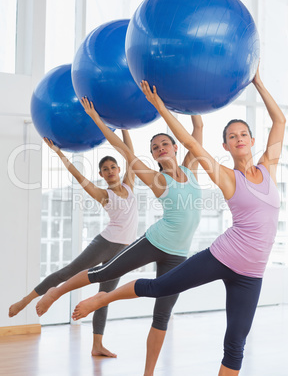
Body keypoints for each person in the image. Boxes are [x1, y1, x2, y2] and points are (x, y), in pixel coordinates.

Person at [71, 66, 286, 376]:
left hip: (252, 273)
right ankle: (105, 296)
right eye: (231, 137)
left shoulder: (269, 167)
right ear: (225, 146)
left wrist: (259, 83)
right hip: (222, 256)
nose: (238, 139)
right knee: (159, 288)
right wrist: (160, 106)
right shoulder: (226, 176)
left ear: (252, 140)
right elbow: (191, 141)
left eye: (243, 134)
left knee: (236, 343)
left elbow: (279, 121)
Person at [35, 97, 203, 376]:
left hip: (179, 253)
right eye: (154, 148)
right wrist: (98, 120)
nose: (160, 149)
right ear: (153, 156)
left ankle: (148, 373)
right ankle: (56, 292)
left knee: (162, 315)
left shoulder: (191, 168)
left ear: (175, 147)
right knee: (103, 273)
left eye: (164, 144)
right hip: (154, 241)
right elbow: (122, 150)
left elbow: (197, 126)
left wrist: (182, 98)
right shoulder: (156, 178)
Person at [9, 130, 138, 358]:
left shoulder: (129, 185)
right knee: (68, 272)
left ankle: (97, 345)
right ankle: (24, 301)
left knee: (103, 297)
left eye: (113, 167)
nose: (110, 171)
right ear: (102, 174)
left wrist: (124, 126)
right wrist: (59, 153)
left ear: (118, 169)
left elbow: (131, 155)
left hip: (123, 250)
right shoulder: (104, 194)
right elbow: (79, 177)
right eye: (105, 169)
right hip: (106, 243)